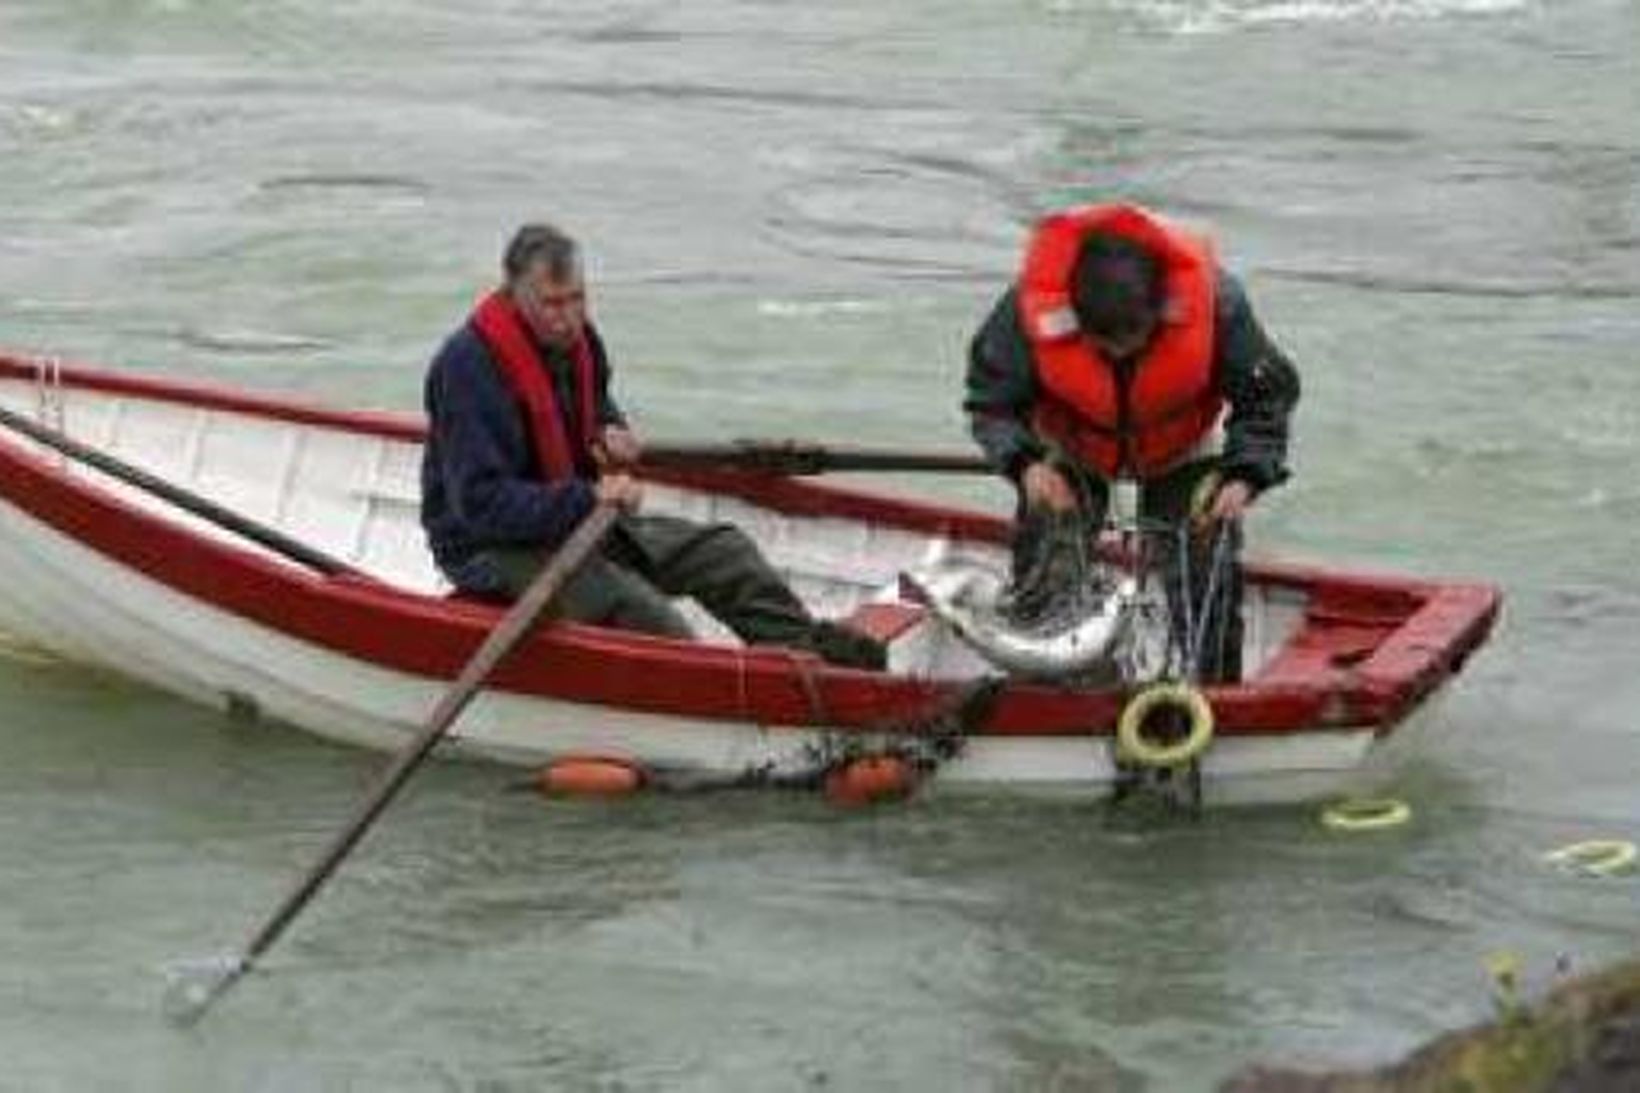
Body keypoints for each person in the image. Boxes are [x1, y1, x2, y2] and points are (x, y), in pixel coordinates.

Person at [421, 222, 885, 670]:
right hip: (488, 547)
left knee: (725, 552)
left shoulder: (579, 340)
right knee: (645, 615)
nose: (568, 319)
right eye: (552, 304)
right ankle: (718, 694)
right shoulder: (468, 369)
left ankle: (808, 659)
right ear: (514, 293)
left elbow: (595, 406)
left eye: (577, 298)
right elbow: (479, 507)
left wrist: (609, 433)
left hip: (574, 519)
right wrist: (589, 497)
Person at [963, 202, 1300, 681]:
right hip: (1070, 444)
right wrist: (1026, 465)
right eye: (1105, 342)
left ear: (1161, 307)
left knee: (1206, 569)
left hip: (1182, 442)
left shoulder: (1219, 304)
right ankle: (1045, 689)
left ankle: (1215, 695)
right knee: (1048, 560)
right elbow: (991, 402)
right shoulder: (1025, 312)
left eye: (1134, 337)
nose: (1120, 351)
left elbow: (1266, 399)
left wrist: (1245, 476)